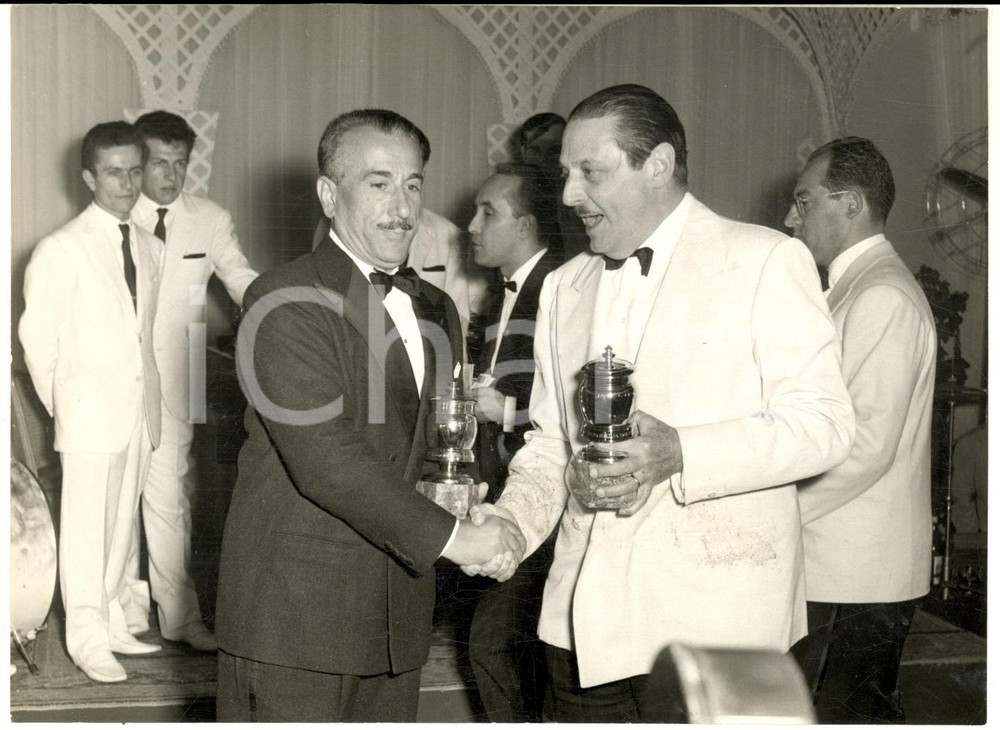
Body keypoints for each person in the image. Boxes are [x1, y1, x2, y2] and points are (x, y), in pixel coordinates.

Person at [469, 84, 856, 722]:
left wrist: (680, 453)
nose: (568, 195)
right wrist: (511, 523)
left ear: (659, 165)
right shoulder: (564, 286)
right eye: (566, 174)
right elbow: (551, 444)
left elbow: (825, 425)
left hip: (716, 629)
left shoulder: (765, 259)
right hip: (581, 628)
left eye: (590, 172)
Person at [214, 109, 526, 722]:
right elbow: (327, 461)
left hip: (397, 619)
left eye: (413, 184)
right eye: (378, 183)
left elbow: (438, 443)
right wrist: (459, 539)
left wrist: (474, 503)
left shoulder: (437, 306)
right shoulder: (281, 299)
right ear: (330, 196)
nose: (402, 207)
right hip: (296, 622)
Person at [786, 137, 937, 723]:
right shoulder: (856, 288)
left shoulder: (882, 295)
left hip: (856, 574)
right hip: (841, 567)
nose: (790, 217)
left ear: (850, 203)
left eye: (804, 200)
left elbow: (868, 447)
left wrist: (776, 513)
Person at [19, 121, 164, 683]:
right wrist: (70, 406)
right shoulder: (61, 248)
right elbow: (37, 343)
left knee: (120, 530)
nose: (127, 184)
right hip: (88, 415)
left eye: (134, 171)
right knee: (85, 532)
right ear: (88, 177)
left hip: (139, 411)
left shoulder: (149, 245)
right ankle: (85, 639)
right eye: (113, 173)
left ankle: (110, 622)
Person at [130, 110, 259, 653]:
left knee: (168, 500)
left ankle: (180, 617)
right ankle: (120, 612)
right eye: (159, 162)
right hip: (117, 381)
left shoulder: (209, 219)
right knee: (115, 504)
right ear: (138, 163)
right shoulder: (116, 215)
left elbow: (241, 278)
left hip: (176, 382)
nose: (171, 175)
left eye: (180, 163)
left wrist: (284, 308)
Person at [464, 162, 564, 721]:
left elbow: (576, 405)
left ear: (525, 225)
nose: (471, 225)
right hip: (502, 490)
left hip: (544, 500)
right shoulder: (501, 293)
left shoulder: (559, 286)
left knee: (495, 645)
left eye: (488, 212)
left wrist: (503, 410)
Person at [312, 208, 491, 350]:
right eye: (380, 184)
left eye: (411, 186)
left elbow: (458, 320)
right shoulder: (331, 226)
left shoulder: (447, 233)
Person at [515, 112, 590, 261]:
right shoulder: (512, 197)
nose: (544, 160)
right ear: (523, 152)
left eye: (554, 150)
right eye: (535, 150)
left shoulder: (581, 196)